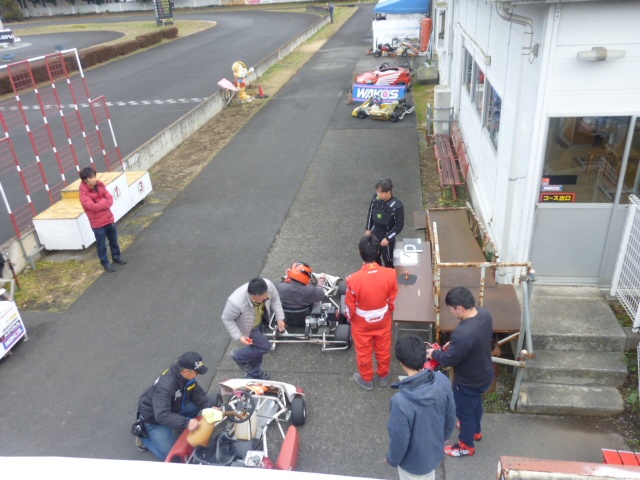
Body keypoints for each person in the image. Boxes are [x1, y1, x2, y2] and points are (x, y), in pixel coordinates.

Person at [426, 286, 494, 457]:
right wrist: (455, 346)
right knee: (476, 403)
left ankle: (466, 445)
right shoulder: (484, 314)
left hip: (467, 381)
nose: (451, 312)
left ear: (460, 308)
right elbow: (474, 340)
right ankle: (476, 431)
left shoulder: (462, 333)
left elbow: (449, 360)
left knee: (465, 414)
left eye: (451, 309)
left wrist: (433, 353)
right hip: (485, 373)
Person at [387, 335, 456, 480]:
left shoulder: (400, 402)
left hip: (412, 464)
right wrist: (442, 439)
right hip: (434, 455)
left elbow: (399, 439)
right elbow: (450, 415)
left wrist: (392, 459)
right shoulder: (442, 380)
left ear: (401, 363)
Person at [136, 351, 213, 460]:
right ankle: (143, 436)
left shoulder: (185, 376)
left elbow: (196, 391)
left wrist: (209, 406)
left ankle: (178, 425)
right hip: (154, 419)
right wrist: (186, 422)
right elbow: (161, 415)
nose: (197, 375)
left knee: (197, 406)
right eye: (196, 372)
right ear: (186, 371)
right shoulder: (166, 385)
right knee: (172, 457)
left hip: (173, 407)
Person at [345, 235, 398, 390]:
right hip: (383, 318)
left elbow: (350, 307)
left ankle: (367, 379)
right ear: (378, 252)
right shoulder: (390, 274)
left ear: (360, 253)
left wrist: (350, 318)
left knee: (363, 351)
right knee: (383, 348)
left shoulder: (353, 280)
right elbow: (392, 298)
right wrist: (389, 311)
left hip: (362, 322)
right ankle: (384, 375)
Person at [221, 277, 286, 380]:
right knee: (264, 347)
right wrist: (239, 336)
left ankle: (255, 373)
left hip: (259, 321)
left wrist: (280, 318)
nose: (260, 301)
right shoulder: (235, 302)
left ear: (266, 291)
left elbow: (275, 300)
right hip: (248, 327)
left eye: (262, 299)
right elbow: (227, 319)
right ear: (248, 293)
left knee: (257, 351)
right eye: (256, 300)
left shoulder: (269, 285)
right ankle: (239, 356)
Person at [78, 166, 127, 273]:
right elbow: (94, 207)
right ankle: (105, 263)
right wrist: (104, 201)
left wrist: (100, 203)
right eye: (91, 177)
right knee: (101, 245)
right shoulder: (83, 194)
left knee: (113, 240)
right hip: (98, 224)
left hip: (109, 219)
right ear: (85, 180)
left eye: (94, 176)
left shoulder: (100, 185)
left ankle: (116, 256)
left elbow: (110, 199)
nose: (94, 179)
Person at [365, 179, 404, 268]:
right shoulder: (375, 198)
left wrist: (388, 238)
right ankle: (378, 271)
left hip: (387, 234)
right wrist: (368, 228)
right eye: (377, 191)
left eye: (381, 192)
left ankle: (389, 272)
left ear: (388, 192)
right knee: (374, 255)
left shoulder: (397, 206)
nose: (378, 194)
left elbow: (399, 226)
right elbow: (370, 213)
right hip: (375, 232)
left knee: (388, 258)